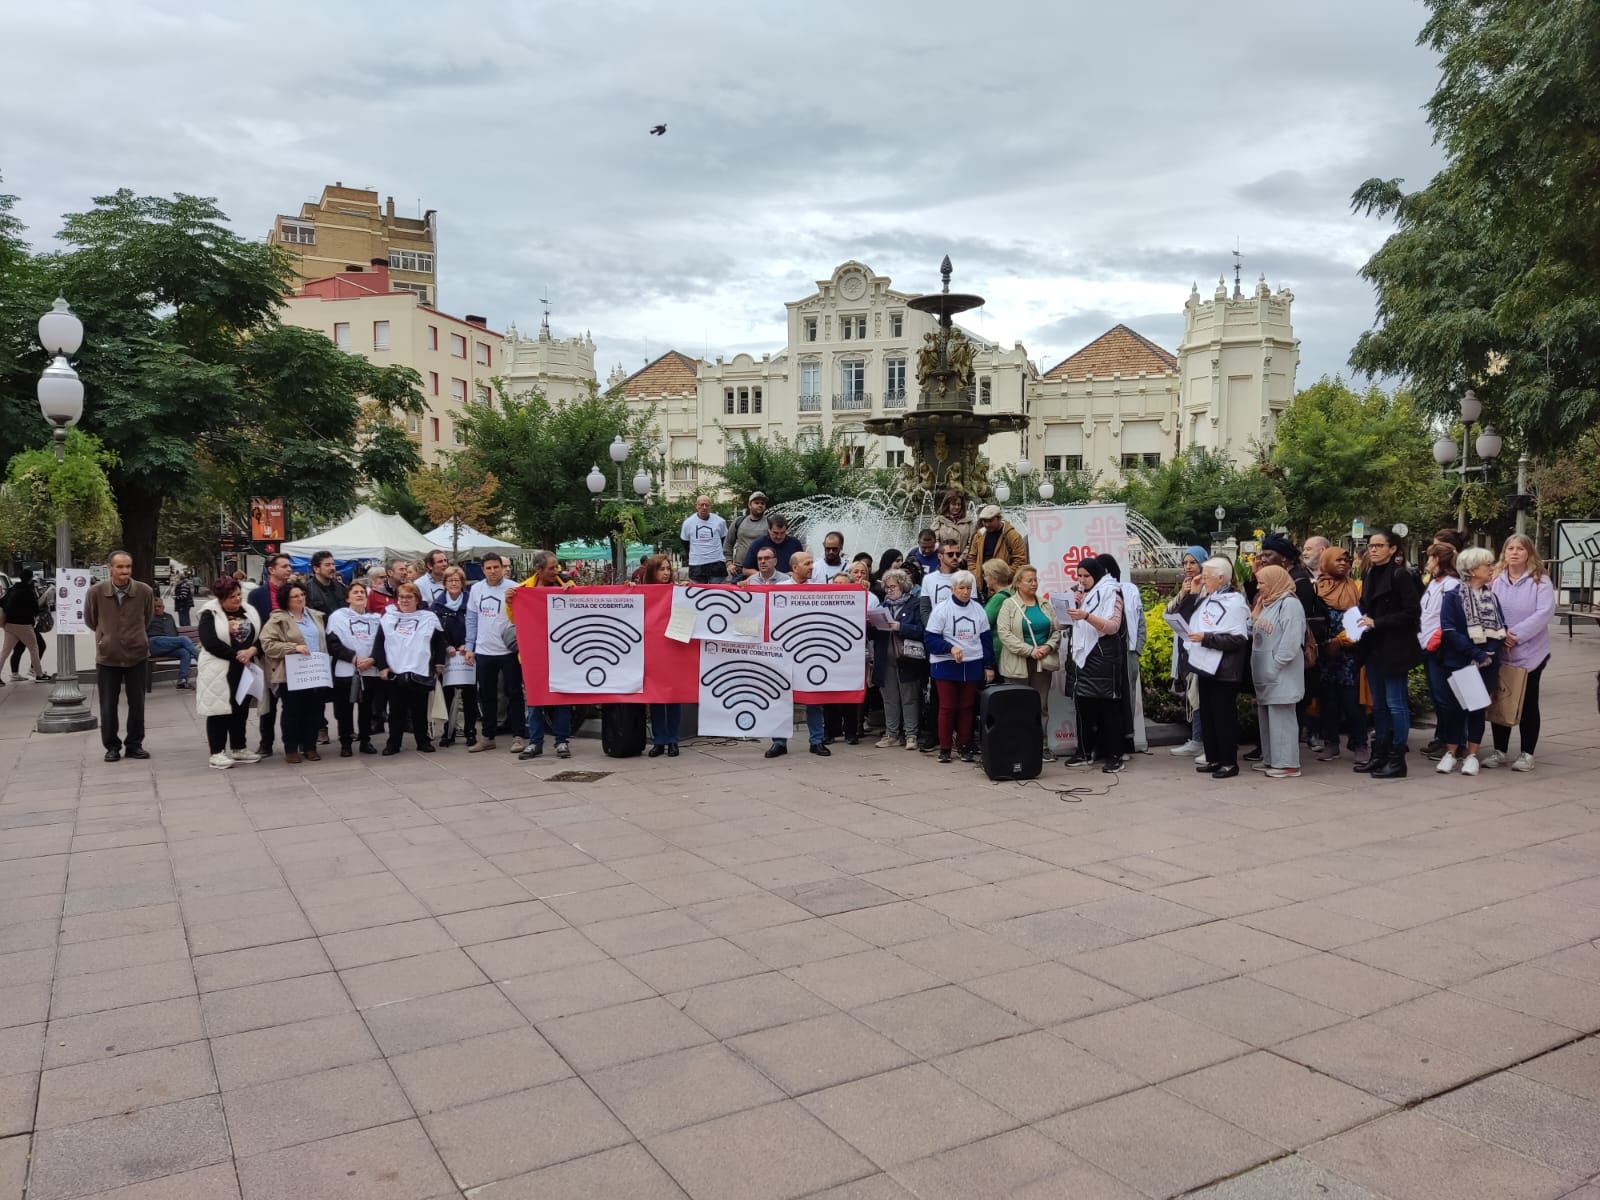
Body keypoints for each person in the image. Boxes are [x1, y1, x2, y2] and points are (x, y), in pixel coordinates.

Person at [1354, 528, 1423, 780]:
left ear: (1393, 549)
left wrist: (1377, 622)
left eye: (1379, 545)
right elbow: (1366, 607)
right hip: (1373, 647)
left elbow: (1412, 613)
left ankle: (1397, 758)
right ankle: (1379, 753)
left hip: (1395, 647)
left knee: (1396, 703)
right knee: (1379, 705)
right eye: (1371, 545)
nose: (1373, 549)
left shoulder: (1400, 575)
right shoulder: (1371, 572)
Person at [1484, 533, 1555, 771]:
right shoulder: (1494, 579)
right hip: (1500, 648)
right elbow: (1485, 607)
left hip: (1531, 652)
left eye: (1520, 549)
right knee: (1500, 697)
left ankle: (1527, 753)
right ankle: (1499, 750)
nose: (1514, 553)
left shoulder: (1540, 581)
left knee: (1528, 702)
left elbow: (1544, 613)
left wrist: (1516, 635)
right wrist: (1500, 633)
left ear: (1529, 554)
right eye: (1510, 548)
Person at [1436, 546, 1505, 775]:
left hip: (1486, 664)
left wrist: (1490, 654)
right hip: (1460, 661)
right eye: (1487, 565)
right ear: (1473, 569)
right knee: (1456, 709)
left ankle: (1472, 754)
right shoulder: (1453, 597)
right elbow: (1450, 630)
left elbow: (1499, 628)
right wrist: (1476, 654)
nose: (1491, 569)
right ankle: (1451, 752)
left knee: (1477, 709)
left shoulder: (1491, 597)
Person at [83, 551, 155, 762]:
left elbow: (147, 619)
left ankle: (134, 744)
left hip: (137, 655)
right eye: (120, 567)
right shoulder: (96, 592)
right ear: (110, 568)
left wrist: (136, 637)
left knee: (137, 703)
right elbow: (91, 619)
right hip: (108, 656)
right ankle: (112, 746)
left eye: (128, 567)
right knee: (108, 704)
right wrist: (106, 637)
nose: (125, 571)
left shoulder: (144, 591)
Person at [1186, 557, 1251, 779]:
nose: (1202, 580)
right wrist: (1194, 593)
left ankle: (1228, 761)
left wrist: (1207, 638)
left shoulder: (1235, 601)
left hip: (1225, 669)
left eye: (1206, 577)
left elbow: (1238, 639)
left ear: (1221, 578)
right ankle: (1213, 757)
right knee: (1208, 716)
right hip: (1205, 665)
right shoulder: (1209, 598)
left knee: (1223, 717)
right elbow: (1190, 619)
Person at [923, 569, 995, 764]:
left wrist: (988, 665)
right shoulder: (942, 609)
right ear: (952, 589)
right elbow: (930, 640)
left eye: (968, 588)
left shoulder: (978, 609)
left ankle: (964, 745)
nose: (965, 592)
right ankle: (945, 748)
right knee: (947, 706)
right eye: (961, 588)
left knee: (967, 707)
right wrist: (950, 648)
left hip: (972, 662)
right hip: (946, 664)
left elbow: (986, 639)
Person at [1064, 557, 1127, 773]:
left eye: (1086, 576)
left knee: (1108, 709)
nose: (1082, 580)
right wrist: (1070, 607)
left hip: (1102, 658)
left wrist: (1087, 615)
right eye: (1079, 576)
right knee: (1082, 706)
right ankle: (1084, 750)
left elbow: (1112, 626)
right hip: (1080, 657)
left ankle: (1115, 755)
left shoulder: (1112, 592)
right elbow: (1060, 623)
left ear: (1097, 575)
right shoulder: (1078, 594)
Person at [766, 551, 832, 758]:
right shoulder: (778, 590)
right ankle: (779, 742)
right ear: (795, 568)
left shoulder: (819, 589)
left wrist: (862, 587)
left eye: (812, 562)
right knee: (781, 697)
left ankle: (817, 740)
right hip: (784, 652)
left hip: (812, 651)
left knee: (814, 697)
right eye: (807, 563)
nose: (812, 566)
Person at [194, 577, 264, 770]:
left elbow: (261, 636)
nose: (237, 599)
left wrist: (252, 650)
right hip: (220, 668)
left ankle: (238, 747)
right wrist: (236, 655)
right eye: (232, 596)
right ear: (221, 598)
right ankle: (216, 752)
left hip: (244, 668)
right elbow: (210, 642)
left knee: (240, 708)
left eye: (239, 595)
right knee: (219, 710)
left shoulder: (249, 611)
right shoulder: (210, 613)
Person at [995, 564, 1061, 761]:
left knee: (1040, 706)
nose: (1034, 584)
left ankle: (1041, 745)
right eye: (1029, 580)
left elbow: (1056, 630)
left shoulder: (1045, 604)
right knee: (1016, 706)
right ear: (1018, 583)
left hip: (1042, 663)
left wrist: (1048, 647)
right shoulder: (1008, 605)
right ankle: (1017, 746)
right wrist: (1029, 651)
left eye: (1035, 580)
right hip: (1018, 663)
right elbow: (1004, 633)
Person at [260, 581, 330, 764]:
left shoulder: (315, 616)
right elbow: (267, 644)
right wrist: (294, 647)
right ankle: (291, 748)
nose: (300, 598)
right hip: (291, 673)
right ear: (286, 600)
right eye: (295, 596)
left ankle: (310, 747)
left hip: (314, 671)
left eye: (302, 594)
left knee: (315, 711)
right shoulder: (278, 619)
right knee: (292, 711)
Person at [373, 583, 446, 755]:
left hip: (419, 669)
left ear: (417, 599)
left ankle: (423, 741)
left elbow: (439, 642)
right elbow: (379, 644)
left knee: (419, 710)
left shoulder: (429, 618)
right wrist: (382, 666)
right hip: (395, 670)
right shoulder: (388, 618)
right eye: (402, 597)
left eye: (409, 597)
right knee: (396, 711)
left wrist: (439, 663)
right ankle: (393, 744)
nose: (405, 600)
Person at [518, 549, 577, 760]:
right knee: (534, 701)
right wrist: (509, 603)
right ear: (538, 569)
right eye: (552, 568)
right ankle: (535, 742)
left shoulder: (567, 587)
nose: (556, 570)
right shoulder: (523, 590)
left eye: (557, 566)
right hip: (534, 655)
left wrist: (574, 594)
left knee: (562, 699)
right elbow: (515, 620)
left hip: (562, 653)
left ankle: (561, 741)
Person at [1250, 564, 1307, 778]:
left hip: (1281, 673)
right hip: (1265, 675)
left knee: (1282, 719)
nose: (1259, 586)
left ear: (1275, 581)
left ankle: (1288, 764)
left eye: (1262, 582)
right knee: (1268, 718)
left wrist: (1275, 665)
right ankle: (1272, 759)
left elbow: (1291, 640)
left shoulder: (1290, 604)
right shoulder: (1267, 603)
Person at [1313, 546, 1369, 765]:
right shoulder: (1317, 588)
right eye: (1338, 560)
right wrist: (1323, 643)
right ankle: (1330, 743)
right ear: (1326, 562)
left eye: (1346, 560)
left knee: (1352, 701)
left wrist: (1340, 641)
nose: (1344, 563)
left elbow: (1362, 620)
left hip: (1349, 653)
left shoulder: (1356, 588)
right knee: (1328, 701)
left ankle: (1360, 744)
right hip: (1324, 653)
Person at [467, 553, 525, 755]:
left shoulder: (515, 588)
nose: (492, 571)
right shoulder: (476, 589)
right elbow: (472, 619)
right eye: (488, 568)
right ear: (483, 570)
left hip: (508, 650)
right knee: (486, 695)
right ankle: (488, 736)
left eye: (496, 567)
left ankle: (518, 735)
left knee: (514, 693)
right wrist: (469, 646)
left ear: (503, 567)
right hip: (484, 650)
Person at [916, 537, 966, 751]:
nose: (955, 558)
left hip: (963, 640)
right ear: (940, 556)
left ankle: (962, 736)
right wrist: (934, 632)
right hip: (938, 640)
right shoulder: (930, 580)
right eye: (950, 554)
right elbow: (925, 608)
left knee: (963, 691)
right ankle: (936, 734)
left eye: (957, 554)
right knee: (937, 689)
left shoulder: (965, 577)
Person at [1418, 542, 1464, 763]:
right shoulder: (1435, 583)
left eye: (1430, 557)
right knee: (1437, 697)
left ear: (1437, 559)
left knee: (1446, 697)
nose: (1427, 562)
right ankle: (1443, 737)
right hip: (1428, 646)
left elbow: (1448, 617)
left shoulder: (1451, 585)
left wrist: (1436, 639)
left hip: (1441, 648)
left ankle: (1454, 742)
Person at [1100, 554, 1148, 755]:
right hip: (1107, 655)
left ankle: (1127, 742)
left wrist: (1137, 649)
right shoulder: (1097, 593)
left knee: (1127, 698)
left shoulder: (1129, 590)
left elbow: (1140, 621)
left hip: (1127, 653)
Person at [635, 555, 683, 756]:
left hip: (674, 649)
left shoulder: (679, 591)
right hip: (653, 651)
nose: (665, 573)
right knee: (656, 697)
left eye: (668, 569)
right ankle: (659, 740)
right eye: (661, 569)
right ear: (652, 571)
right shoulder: (643, 592)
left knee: (674, 696)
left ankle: (673, 740)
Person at [326, 580, 380, 756]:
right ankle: (346, 742)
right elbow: (332, 644)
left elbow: (382, 643)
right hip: (346, 670)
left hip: (369, 670)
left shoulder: (375, 619)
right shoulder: (337, 617)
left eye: (362, 592)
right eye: (355, 592)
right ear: (347, 597)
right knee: (344, 709)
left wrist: (372, 659)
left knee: (366, 709)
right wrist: (353, 658)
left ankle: (365, 740)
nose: (359, 595)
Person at [248, 553, 294, 756]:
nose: (289, 569)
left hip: (293, 653)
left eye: (289, 566)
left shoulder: (293, 591)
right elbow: (254, 626)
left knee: (292, 702)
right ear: (271, 569)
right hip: (268, 654)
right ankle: (266, 742)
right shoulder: (257, 595)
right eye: (284, 566)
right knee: (269, 701)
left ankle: (292, 741)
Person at [873, 568, 924, 750]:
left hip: (907, 658)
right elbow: (873, 635)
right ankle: (891, 734)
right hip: (885, 658)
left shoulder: (915, 604)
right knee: (889, 698)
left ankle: (911, 735)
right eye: (886, 588)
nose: (889, 591)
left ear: (903, 586)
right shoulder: (882, 606)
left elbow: (922, 630)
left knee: (909, 697)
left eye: (892, 586)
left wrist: (900, 626)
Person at [1166, 546, 1210, 756]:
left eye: (1193, 562)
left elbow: (1196, 615)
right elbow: (1170, 612)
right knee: (1192, 694)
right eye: (1185, 563)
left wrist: (1192, 594)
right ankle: (1197, 738)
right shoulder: (1187, 586)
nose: (1188, 567)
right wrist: (1183, 593)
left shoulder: (1206, 587)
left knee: (1198, 695)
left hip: (1201, 648)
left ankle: (1200, 740)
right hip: (1185, 648)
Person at [431, 565, 477, 748]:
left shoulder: (470, 602)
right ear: (444, 583)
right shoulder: (437, 605)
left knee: (470, 695)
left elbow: (475, 625)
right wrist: (446, 646)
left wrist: (469, 644)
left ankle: (470, 731)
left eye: (457, 580)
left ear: (462, 583)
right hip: (448, 657)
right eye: (450, 580)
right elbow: (435, 632)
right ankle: (448, 732)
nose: (453, 583)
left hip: (467, 654)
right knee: (448, 695)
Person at [0, 567, 49, 683]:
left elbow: (1, 602)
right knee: (34, 648)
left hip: (9, 625)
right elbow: (35, 609)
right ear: (30, 579)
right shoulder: (29, 591)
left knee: (5, 651)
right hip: (24, 625)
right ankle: (39, 674)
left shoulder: (12, 589)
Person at [967, 505, 1027, 589]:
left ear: (999, 518)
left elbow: (1020, 562)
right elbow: (972, 558)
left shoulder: (1013, 536)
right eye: (984, 521)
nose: (987, 524)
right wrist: (976, 574)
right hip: (982, 586)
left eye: (990, 521)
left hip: (1004, 586)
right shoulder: (979, 536)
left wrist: (999, 576)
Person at [146, 597, 199, 690]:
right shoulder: (147, 618)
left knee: (184, 652)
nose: (157, 608)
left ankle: (182, 681)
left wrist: (173, 642)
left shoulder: (169, 617)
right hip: (154, 644)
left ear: (163, 607)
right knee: (184, 639)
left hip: (168, 645)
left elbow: (174, 633)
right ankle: (200, 658)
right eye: (154, 607)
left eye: (159, 606)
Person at [680, 495, 729, 584]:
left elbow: (724, 540)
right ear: (696, 506)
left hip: (716, 563)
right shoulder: (688, 523)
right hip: (697, 564)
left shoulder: (720, 522)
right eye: (701, 505)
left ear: (710, 506)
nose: (704, 507)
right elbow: (685, 542)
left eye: (707, 505)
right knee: (697, 593)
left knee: (717, 593)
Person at [723, 491, 770, 579]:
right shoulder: (739, 522)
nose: (760, 505)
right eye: (756, 503)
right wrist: (729, 563)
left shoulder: (770, 523)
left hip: (762, 569)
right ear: (749, 505)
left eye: (762, 503)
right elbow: (728, 544)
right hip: (739, 569)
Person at [740, 514, 802, 579]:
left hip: (789, 584)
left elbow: (802, 566)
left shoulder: (795, 544)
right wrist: (766, 575)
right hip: (765, 584)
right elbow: (745, 570)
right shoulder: (758, 544)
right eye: (775, 533)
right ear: (769, 530)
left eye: (782, 533)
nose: (779, 536)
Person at [304, 550, 348, 617]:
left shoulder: (341, 588)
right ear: (316, 569)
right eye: (327, 565)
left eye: (333, 564)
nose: (332, 568)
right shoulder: (307, 590)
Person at [932, 489, 974, 555]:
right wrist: (946, 557)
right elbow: (934, 541)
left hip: (963, 561)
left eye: (959, 504)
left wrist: (962, 558)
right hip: (944, 560)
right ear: (948, 505)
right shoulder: (939, 521)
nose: (957, 507)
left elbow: (972, 543)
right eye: (953, 504)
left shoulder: (969, 522)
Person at [981, 560, 1015, 626]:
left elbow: (984, 622)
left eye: (985, 575)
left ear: (994, 578)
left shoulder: (999, 598)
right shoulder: (1012, 592)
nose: (984, 578)